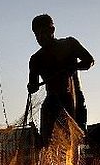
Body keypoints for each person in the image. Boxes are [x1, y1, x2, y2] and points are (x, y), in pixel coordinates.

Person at [27, 14, 94, 144]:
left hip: (73, 101)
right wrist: (31, 87)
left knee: (75, 141)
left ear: (52, 30)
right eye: (37, 34)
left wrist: (73, 67)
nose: (41, 37)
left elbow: (89, 60)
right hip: (52, 104)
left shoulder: (69, 44)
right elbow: (33, 84)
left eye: (44, 32)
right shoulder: (36, 59)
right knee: (48, 143)